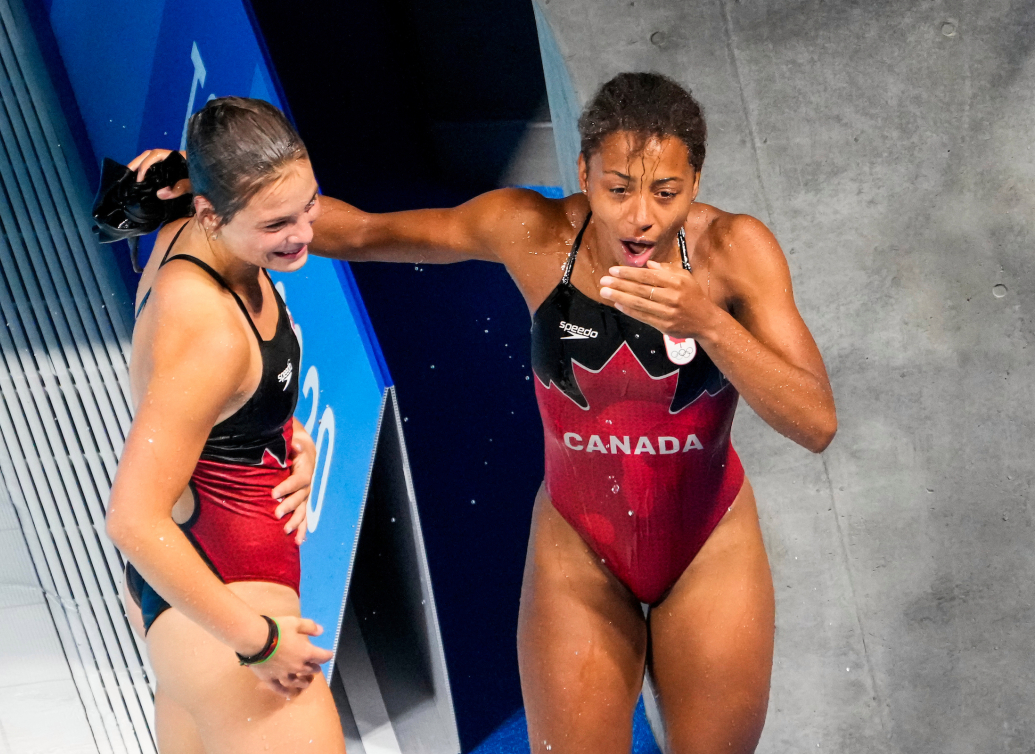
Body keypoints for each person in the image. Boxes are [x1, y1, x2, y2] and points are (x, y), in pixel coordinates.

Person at [134, 71, 836, 754]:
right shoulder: (528, 232)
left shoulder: (733, 252)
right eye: (619, 190)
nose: (641, 216)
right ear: (585, 172)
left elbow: (814, 422)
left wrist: (709, 322)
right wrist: (213, 187)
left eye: (666, 192)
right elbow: (361, 233)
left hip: (707, 546)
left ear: (696, 185)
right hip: (578, 550)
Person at [107, 97, 344, 754]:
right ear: (212, 213)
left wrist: (282, 436)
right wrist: (257, 643)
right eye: (276, 224)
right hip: (222, 601)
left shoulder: (194, 220)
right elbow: (131, 518)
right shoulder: (207, 328)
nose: (301, 234)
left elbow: (224, 412)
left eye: (309, 207)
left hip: (212, 589)